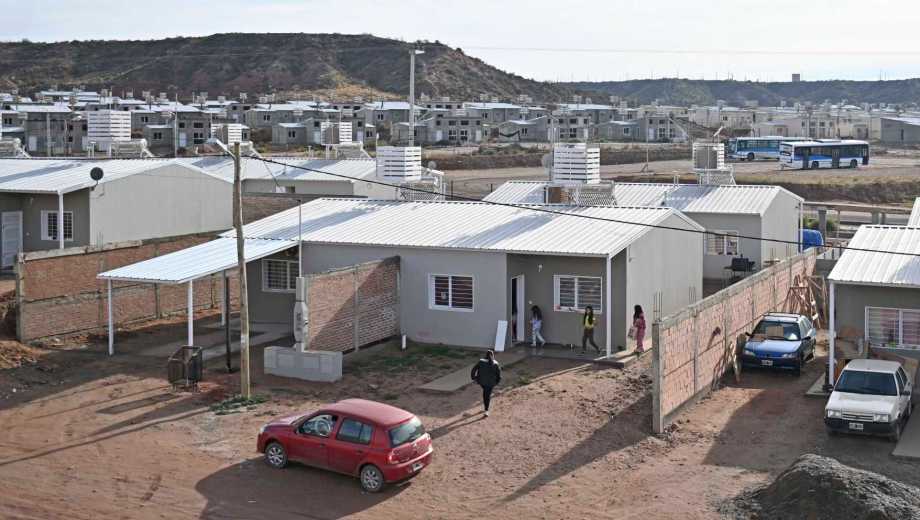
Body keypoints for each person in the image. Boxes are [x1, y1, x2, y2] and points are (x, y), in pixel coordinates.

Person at [470, 350, 502, 417]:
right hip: (491, 383)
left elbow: (473, 370)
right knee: (487, 395)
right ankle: (486, 410)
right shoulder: (495, 363)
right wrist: (497, 382)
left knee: (485, 393)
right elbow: (498, 374)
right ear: (493, 356)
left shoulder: (481, 362)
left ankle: (486, 409)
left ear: (486, 355)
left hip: (482, 382)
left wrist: (474, 378)